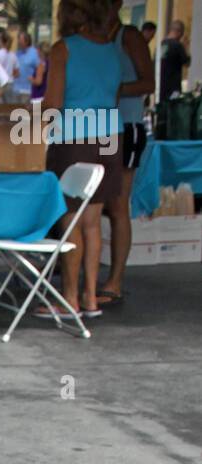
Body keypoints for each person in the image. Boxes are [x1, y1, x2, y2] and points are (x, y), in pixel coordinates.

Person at [41, 0, 123, 321]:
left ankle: (70, 297)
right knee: (92, 223)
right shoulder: (113, 51)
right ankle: (91, 297)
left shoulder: (64, 50)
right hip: (109, 139)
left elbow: (53, 104)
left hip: (73, 139)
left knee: (71, 221)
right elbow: (113, 97)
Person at [99, 1, 154, 305]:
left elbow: (149, 82)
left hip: (127, 127)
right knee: (96, 204)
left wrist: (115, 89)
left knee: (119, 205)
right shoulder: (96, 37)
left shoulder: (128, 36)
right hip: (100, 127)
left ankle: (116, 280)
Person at [159, 20, 190, 100]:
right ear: (179, 32)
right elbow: (187, 63)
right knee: (173, 109)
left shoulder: (161, 44)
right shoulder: (178, 45)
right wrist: (186, 47)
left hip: (160, 85)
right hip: (173, 87)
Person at [15, 30, 43, 96]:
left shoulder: (35, 53)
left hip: (28, 91)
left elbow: (41, 68)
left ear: (26, 41)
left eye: (20, 40)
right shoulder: (17, 53)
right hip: (16, 90)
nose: (18, 42)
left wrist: (35, 80)